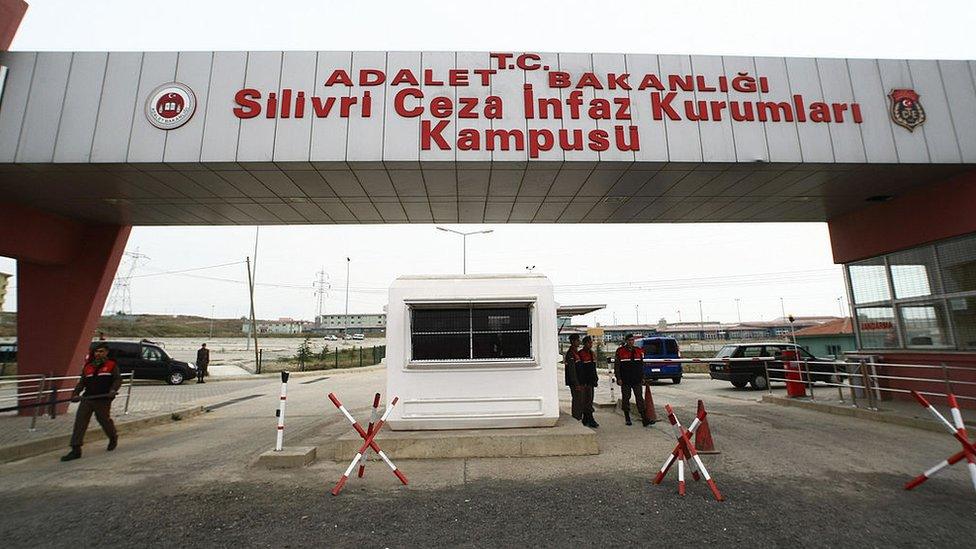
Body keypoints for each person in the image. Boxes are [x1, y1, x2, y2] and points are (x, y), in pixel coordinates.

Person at [61, 343, 121, 461]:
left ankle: (113, 437)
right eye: (96, 352)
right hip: (87, 398)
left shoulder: (111, 365)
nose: (98, 354)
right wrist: (75, 394)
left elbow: (117, 379)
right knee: (80, 422)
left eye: (101, 351)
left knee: (104, 420)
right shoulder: (88, 367)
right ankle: (76, 449)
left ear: (106, 352)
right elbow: (82, 383)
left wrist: (113, 390)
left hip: (103, 399)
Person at [614, 334, 653, 427]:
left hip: (636, 378)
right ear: (626, 341)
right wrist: (618, 378)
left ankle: (644, 418)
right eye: (630, 340)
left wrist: (643, 377)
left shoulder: (638, 350)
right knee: (626, 398)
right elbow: (617, 366)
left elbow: (641, 365)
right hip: (625, 379)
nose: (631, 342)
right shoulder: (620, 351)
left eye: (632, 340)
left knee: (639, 398)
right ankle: (627, 418)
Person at [577, 336, 599, 428]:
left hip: (591, 381)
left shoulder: (592, 354)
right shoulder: (580, 354)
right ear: (584, 343)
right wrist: (581, 381)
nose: (591, 345)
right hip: (584, 382)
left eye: (591, 343)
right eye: (589, 343)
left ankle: (586, 418)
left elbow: (593, 368)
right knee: (585, 401)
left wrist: (595, 379)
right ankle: (590, 418)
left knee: (589, 400)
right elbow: (579, 370)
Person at [564, 334, 584, 421]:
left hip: (579, 381)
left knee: (580, 400)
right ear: (573, 341)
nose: (579, 342)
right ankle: (576, 418)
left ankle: (579, 417)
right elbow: (572, 370)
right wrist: (576, 383)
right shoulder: (571, 353)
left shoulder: (576, 352)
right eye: (577, 340)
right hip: (575, 382)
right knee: (577, 401)